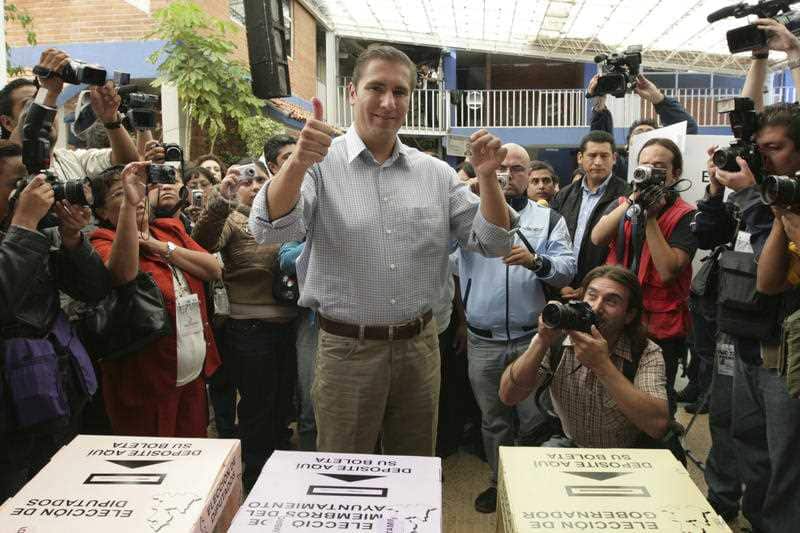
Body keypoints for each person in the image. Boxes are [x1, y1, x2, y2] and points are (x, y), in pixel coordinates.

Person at [248, 45, 517, 455]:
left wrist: (488, 179)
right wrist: (298, 161)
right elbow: (269, 229)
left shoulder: (436, 173)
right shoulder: (319, 165)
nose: (389, 102)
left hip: (420, 349)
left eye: (400, 91)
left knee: (414, 471)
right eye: (377, 87)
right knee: (344, 474)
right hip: (346, 351)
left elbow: (493, 241)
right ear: (352, 92)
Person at [456, 143, 575, 513]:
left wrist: (538, 262)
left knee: (534, 418)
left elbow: (567, 268)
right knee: (493, 421)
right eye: (501, 167)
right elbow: (444, 264)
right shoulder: (466, 216)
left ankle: (531, 485)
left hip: (532, 338)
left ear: (529, 173)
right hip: (483, 339)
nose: (509, 174)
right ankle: (499, 481)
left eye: (518, 168)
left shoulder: (548, 218)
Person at [0, 140, 111, 501]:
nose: (32, 192)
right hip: (9, 412)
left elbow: (94, 289)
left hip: (56, 387)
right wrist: (24, 224)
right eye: (18, 183)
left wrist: (72, 237)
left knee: (57, 491)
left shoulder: (30, 232)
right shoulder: (23, 230)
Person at [88, 163, 222, 438]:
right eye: (120, 195)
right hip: (146, 382)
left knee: (193, 461)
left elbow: (213, 268)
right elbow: (122, 275)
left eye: (139, 190)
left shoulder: (169, 231)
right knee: (154, 467)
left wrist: (158, 247)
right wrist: (130, 208)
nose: (135, 198)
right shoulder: (101, 239)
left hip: (192, 374)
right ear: (101, 212)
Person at [192, 161, 296, 490]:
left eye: (262, 180)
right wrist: (221, 201)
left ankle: (282, 480)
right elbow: (203, 243)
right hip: (249, 331)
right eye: (248, 181)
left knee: (284, 407)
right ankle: (253, 482)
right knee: (256, 409)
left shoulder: (291, 219)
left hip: (291, 328)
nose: (254, 186)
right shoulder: (234, 220)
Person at [499, 265, 670, 449]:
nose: (596, 308)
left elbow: (657, 426)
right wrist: (541, 341)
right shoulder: (558, 339)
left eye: (611, 301)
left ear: (629, 315)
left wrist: (603, 366)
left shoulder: (645, 352)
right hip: (571, 443)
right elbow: (508, 396)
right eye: (592, 296)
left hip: (625, 451)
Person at [590, 138, 697, 405]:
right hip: (619, 319)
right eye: (644, 165)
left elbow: (668, 270)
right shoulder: (625, 203)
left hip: (659, 327)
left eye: (658, 167)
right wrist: (633, 203)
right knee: (614, 395)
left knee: (654, 399)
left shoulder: (686, 214)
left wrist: (650, 217)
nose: (650, 172)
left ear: (675, 174)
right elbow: (597, 237)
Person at [0, 49, 139, 180]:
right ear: (7, 122)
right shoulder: (5, 166)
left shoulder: (73, 160)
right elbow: (30, 129)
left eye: (52, 103)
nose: (49, 112)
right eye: (29, 105)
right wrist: (46, 91)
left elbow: (128, 163)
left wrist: (110, 120)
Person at [551, 131, 630, 297]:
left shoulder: (627, 196)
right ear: (580, 158)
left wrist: (590, 287)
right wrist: (559, 283)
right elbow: (550, 240)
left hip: (606, 289)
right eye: (592, 155)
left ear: (614, 158)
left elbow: (628, 249)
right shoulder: (564, 195)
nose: (598, 162)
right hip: (562, 288)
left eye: (604, 156)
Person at [588, 73, 698, 179]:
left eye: (650, 133)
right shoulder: (618, 168)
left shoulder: (669, 165)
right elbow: (600, 143)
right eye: (639, 133)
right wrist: (599, 104)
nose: (644, 135)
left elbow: (687, 128)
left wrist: (658, 99)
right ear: (627, 146)